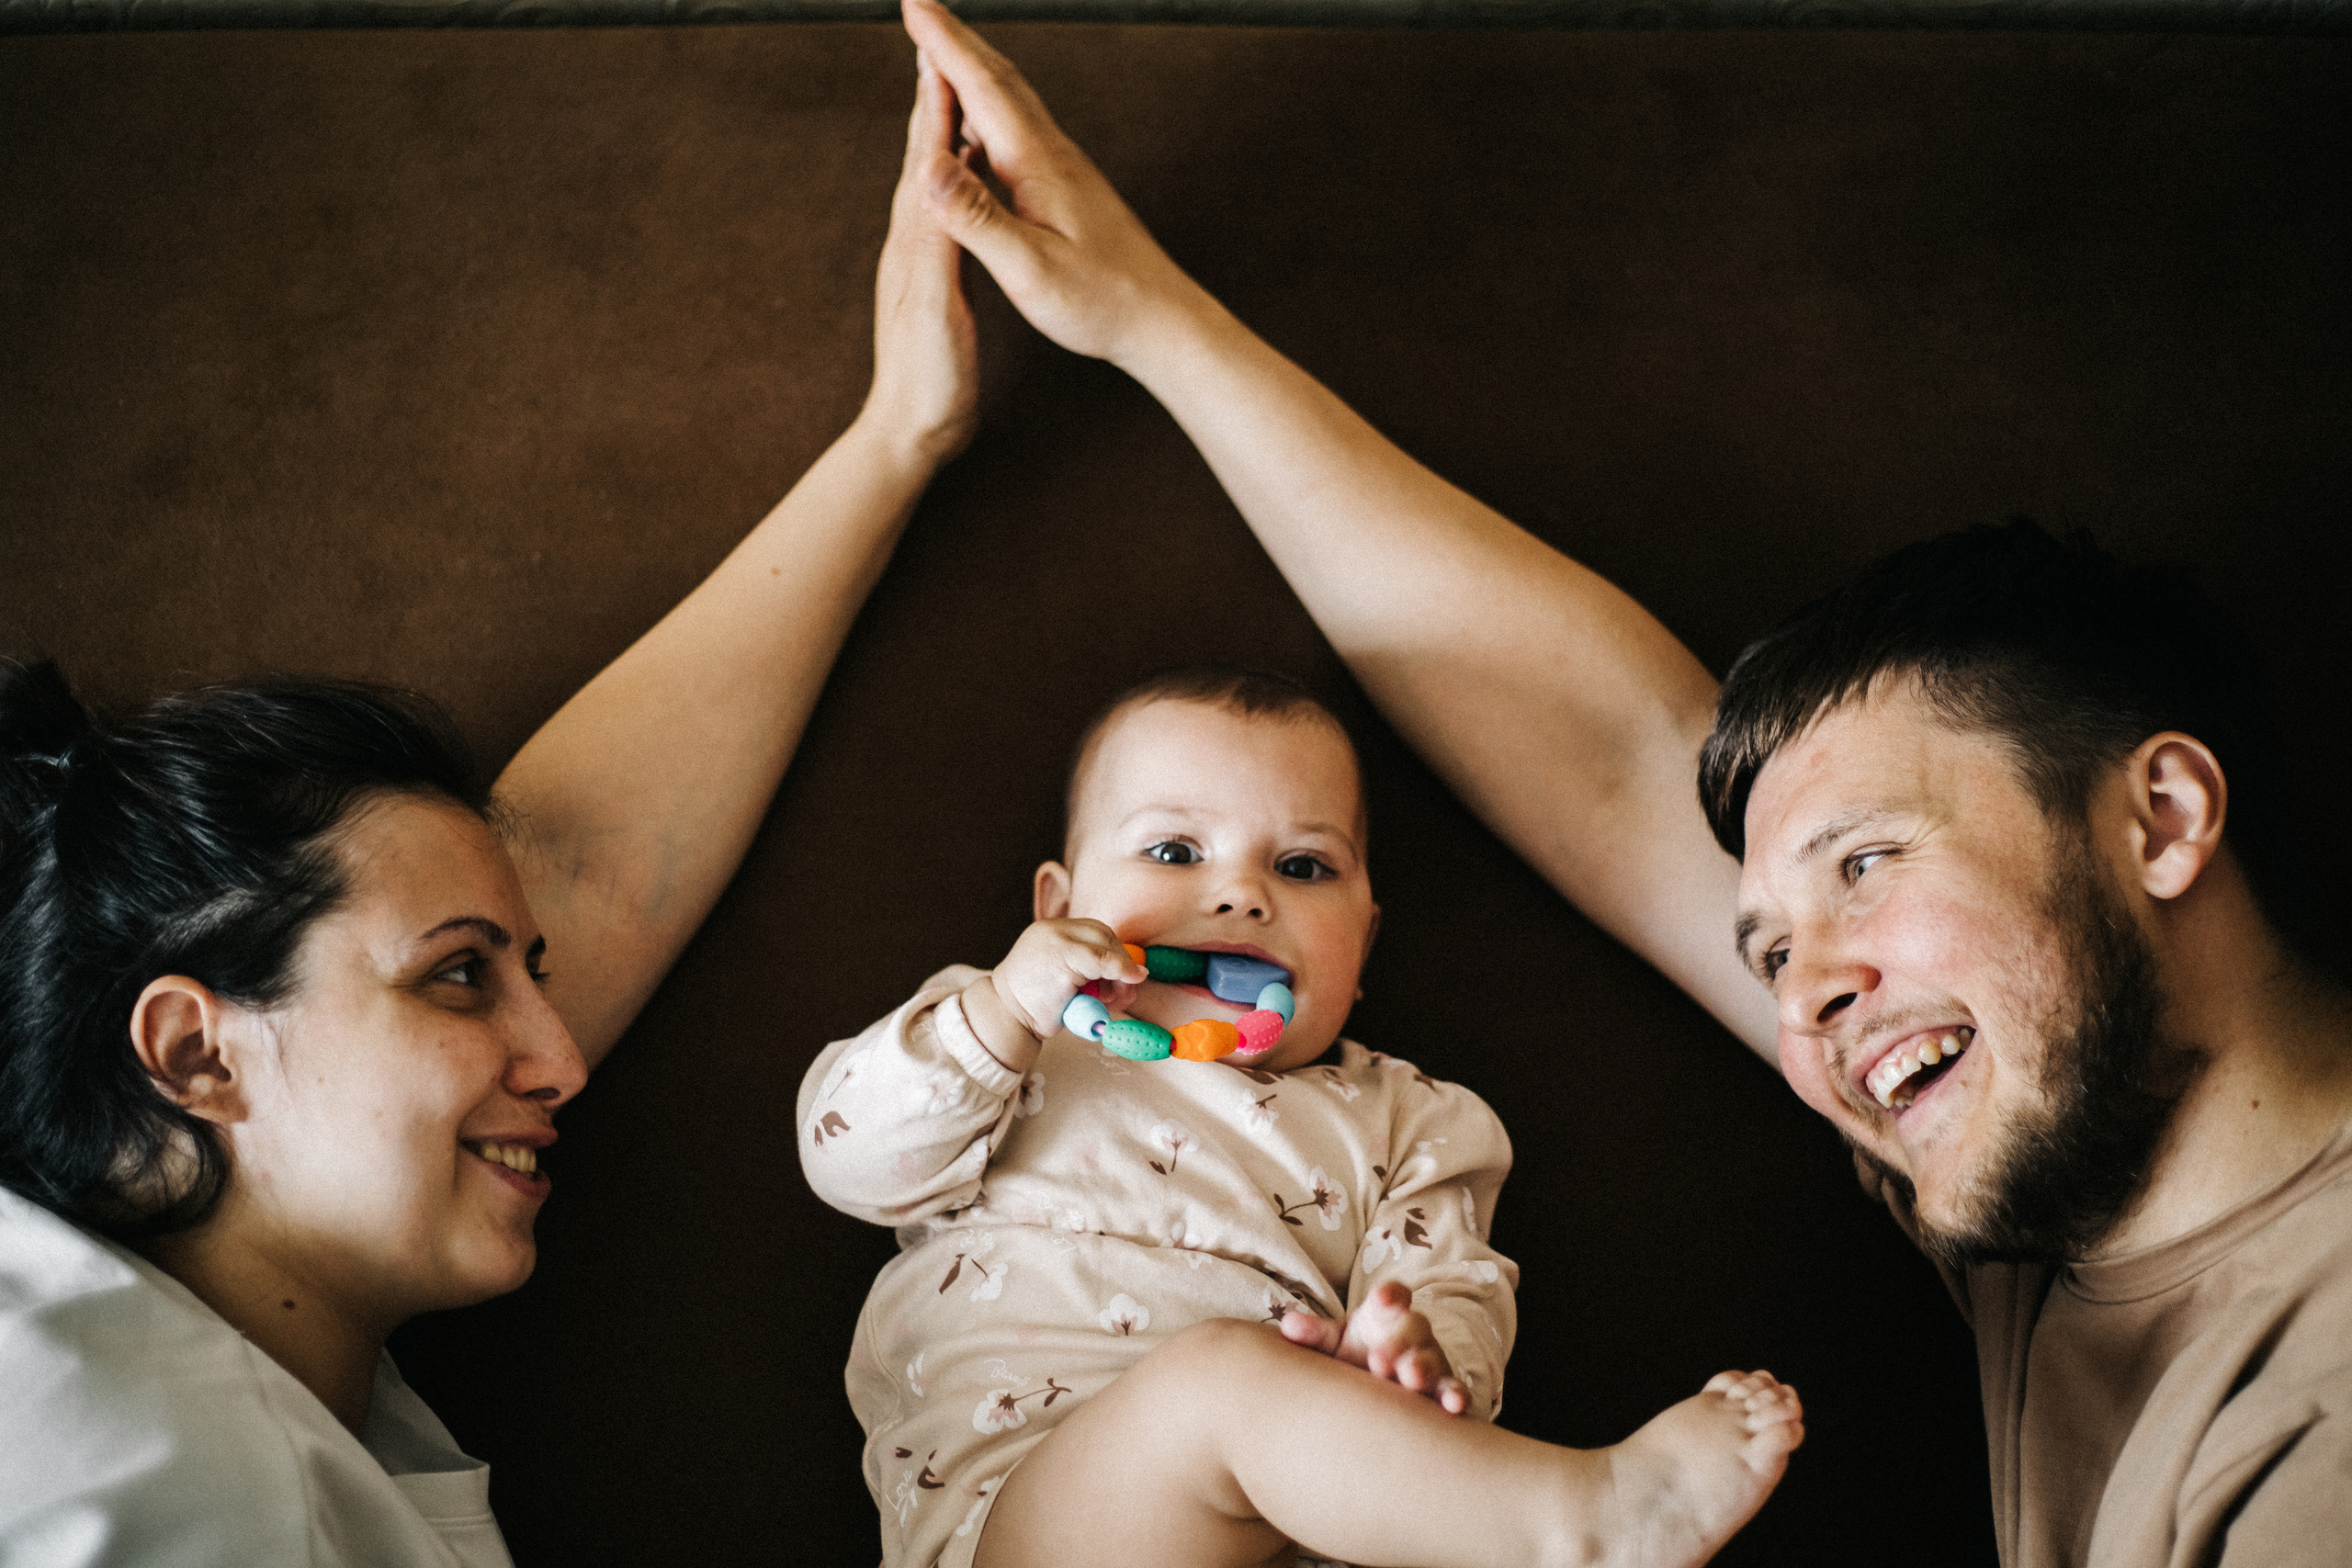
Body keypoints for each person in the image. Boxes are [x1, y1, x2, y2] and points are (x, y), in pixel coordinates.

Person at [892, 2, 2352, 1562]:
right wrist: (1143, 319)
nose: (1809, 1004)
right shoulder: (2041, 1170)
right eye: (1771, 947)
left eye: (1866, 864)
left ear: (2164, 818)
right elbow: (1602, 755)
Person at [0, 67, 980, 1568]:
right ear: (194, 1049)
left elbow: (573, 861)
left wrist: (898, 434)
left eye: (524, 964)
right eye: (464, 974)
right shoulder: (143, 1463)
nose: (566, 1051)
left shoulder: (213, 1378)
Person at [799, 664, 1804, 1568]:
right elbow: (851, 1161)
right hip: (1029, 1525)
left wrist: (1415, 1365)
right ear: (1060, 901)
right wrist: (1005, 1008)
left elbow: (1450, 1299)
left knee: (1268, 1397)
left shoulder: (1413, 1119)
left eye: (1303, 867)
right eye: (1173, 849)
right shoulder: (1000, 1040)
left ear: (1362, 946)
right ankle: (1588, 1525)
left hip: (1314, 1537)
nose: (1238, 895)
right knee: (1222, 1384)